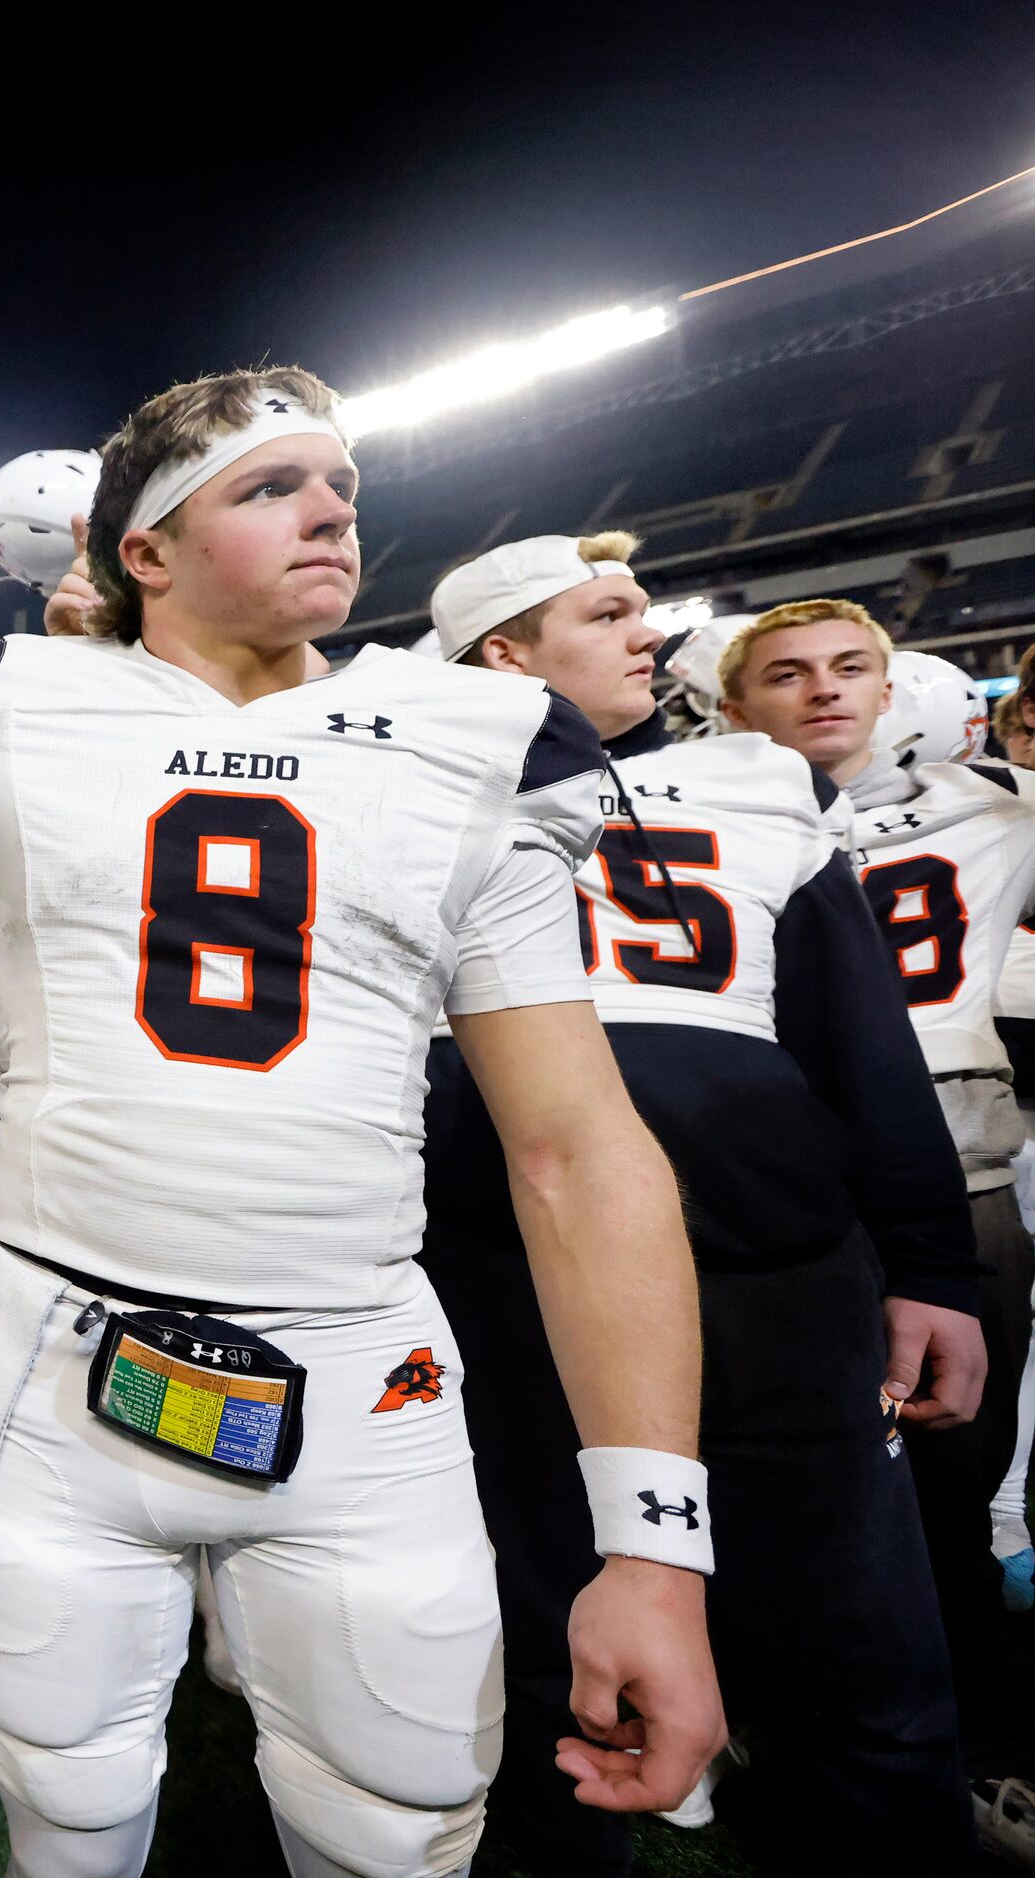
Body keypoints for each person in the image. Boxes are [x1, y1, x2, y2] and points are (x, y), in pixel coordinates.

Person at [0, 375, 724, 1878]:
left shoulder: (475, 737)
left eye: (339, 480)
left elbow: (577, 1148)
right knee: (66, 1809)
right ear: (140, 550)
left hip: (358, 1368)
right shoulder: (25, 712)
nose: (334, 505)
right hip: (55, 1348)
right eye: (271, 484)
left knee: (397, 1826)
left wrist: (654, 1542)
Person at [420, 535, 979, 1871]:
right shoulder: (412, 793)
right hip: (517, 1290)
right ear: (504, 651)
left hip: (779, 1286)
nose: (651, 638)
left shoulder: (760, 781)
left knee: (862, 1668)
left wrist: (929, 1263)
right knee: (553, 1675)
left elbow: (861, 1043)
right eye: (609, 613)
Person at [720, 598, 1035, 1756]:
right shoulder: (694, 813)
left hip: (959, 1178)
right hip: (782, 1196)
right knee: (789, 1474)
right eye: (789, 672)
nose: (824, 691)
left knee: (955, 1469)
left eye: (851, 667)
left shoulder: (996, 806)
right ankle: (781, 1706)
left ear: (890, 686)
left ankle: (970, 1726)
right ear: (730, 704)